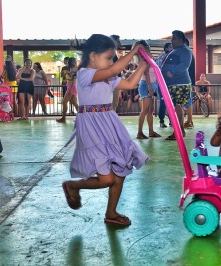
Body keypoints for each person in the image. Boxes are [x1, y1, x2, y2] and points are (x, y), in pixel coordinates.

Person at [61, 34, 149, 226]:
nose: (111, 62)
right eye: (109, 57)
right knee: (106, 179)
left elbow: (130, 84)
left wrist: (143, 64)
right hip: (91, 126)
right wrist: (133, 51)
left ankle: (111, 212)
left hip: (109, 122)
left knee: (120, 171)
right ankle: (72, 186)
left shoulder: (109, 78)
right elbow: (113, 69)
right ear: (93, 56)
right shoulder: (85, 74)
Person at [160, 30, 192, 140]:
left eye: (173, 38)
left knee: (177, 107)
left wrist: (172, 71)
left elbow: (185, 64)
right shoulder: (176, 50)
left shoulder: (185, 51)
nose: (171, 41)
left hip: (179, 84)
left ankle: (178, 131)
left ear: (179, 39)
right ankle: (179, 130)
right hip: (173, 84)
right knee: (174, 107)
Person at [136, 40, 161, 139]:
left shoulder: (149, 57)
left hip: (152, 84)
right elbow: (146, 73)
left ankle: (151, 131)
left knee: (151, 109)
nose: (148, 48)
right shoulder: (144, 58)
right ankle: (139, 132)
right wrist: (150, 86)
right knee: (145, 110)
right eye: (146, 47)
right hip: (147, 85)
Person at [56, 57, 79, 122]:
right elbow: (63, 75)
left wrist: (68, 72)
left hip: (72, 85)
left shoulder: (75, 69)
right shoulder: (68, 68)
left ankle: (63, 118)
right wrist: (66, 72)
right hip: (70, 85)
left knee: (64, 102)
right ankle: (81, 118)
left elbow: (73, 77)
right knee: (74, 103)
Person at [156, 42, 172, 128]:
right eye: (170, 47)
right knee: (163, 102)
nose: (172, 48)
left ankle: (171, 121)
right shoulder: (162, 57)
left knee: (171, 102)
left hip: (170, 83)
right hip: (163, 83)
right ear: (166, 49)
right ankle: (162, 121)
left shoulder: (172, 57)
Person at [110, 34, 124, 113]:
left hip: (114, 81)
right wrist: (120, 61)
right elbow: (112, 68)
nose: (120, 43)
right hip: (112, 81)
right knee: (113, 104)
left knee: (114, 104)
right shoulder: (110, 52)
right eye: (118, 41)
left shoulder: (113, 52)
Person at [183, 38, 195, 129]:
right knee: (188, 101)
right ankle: (189, 120)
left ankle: (189, 121)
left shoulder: (187, 53)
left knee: (188, 102)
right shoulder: (189, 53)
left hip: (186, 81)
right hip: (189, 80)